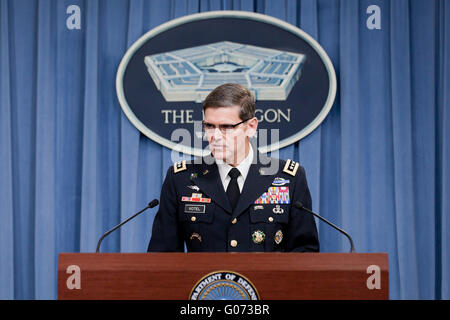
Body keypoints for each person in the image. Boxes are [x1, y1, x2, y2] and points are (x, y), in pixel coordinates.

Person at [147, 83, 319, 252]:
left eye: (226, 127)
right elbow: (161, 257)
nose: (215, 136)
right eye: (209, 126)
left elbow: (305, 255)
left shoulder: (289, 178)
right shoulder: (181, 179)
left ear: (251, 127)